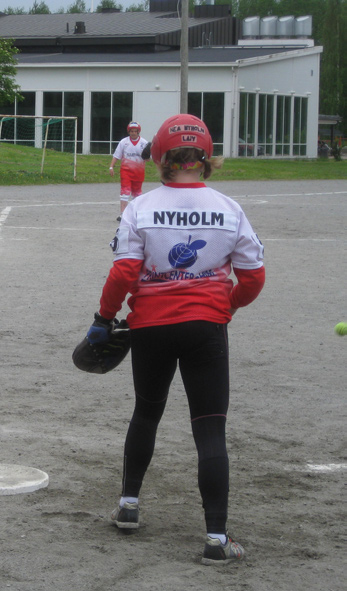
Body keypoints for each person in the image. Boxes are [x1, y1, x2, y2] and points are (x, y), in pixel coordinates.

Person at [87, 114, 265, 565]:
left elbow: (125, 271)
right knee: (209, 427)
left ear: (159, 157)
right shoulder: (228, 207)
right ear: (205, 159)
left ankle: (128, 506)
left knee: (146, 414)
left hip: (151, 326)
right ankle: (216, 539)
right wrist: (230, 305)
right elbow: (254, 275)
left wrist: (103, 318)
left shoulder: (140, 208)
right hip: (207, 326)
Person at [109, 121, 149, 222]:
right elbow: (116, 155)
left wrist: (148, 155)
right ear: (129, 131)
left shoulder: (144, 143)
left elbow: (148, 158)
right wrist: (111, 167)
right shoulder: (124, 142)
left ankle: (136, 213)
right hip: (126, 171)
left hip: (138, 172)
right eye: (131, 131)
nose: (133, 133)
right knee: (125, 192)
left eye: (135, 131)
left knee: (137, 193)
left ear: (138, 132)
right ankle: (123, 214)